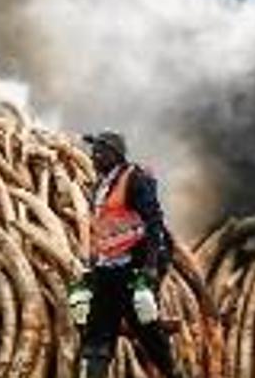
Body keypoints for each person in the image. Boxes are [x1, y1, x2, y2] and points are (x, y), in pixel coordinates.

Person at [72, 130, 183, 378]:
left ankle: (173, 373)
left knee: (145, 325)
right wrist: (91, 266)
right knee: (97, 335)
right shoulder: (102, 185)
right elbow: (101, 227)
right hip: (107, 268)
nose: (94, 156)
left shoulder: (134, 179)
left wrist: (151, 266)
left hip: (134, 266)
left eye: (100, 151)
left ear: (115, 155)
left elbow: (154, 222)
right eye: (93, 150)